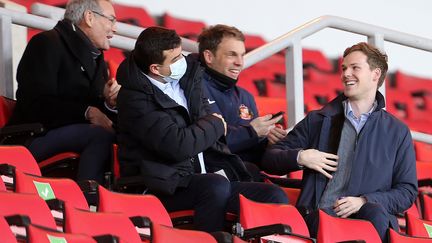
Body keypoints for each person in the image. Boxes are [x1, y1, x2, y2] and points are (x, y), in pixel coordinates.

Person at [116, 26, 288, 233]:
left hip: (201, 176)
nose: (183, 62)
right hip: (161, 186)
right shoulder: (135, 98)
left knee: (273, 195)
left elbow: (208, 133)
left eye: (182, 55)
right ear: (155, 68)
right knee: (214, 185)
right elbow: (178, 145)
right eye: (175, 59)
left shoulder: (187, 80)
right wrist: (215, 125)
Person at [262, 42, 417, 241]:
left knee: (375, 213)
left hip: (369, 220)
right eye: (344, 68)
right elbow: (270, 158)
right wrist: (302, 157)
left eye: (355, 68)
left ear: (375, 74)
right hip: (319, 218)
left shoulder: (397, 131)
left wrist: (364, 200)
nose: (346, 74)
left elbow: (407, 192)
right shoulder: (318, 120)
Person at [7, 0, 119, 184]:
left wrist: (109, 102)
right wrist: (88, 112)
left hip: (71, 133)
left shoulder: (96, 57)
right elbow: (35, 103)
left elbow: (95, 107)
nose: (114, 29)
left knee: (124, 134)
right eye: (111, 20)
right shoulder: (46, 43)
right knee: (101, 135)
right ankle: (89, 201)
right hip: (33, 137)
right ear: (89, 17)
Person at [198, 25, 287, 169]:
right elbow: (208, 147)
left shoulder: (246, 97)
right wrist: (251, 132)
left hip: (245, 173)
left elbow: (253, 155)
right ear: (209, 56)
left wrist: (267, 142)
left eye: (242, 55)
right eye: (231, 54)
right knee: (274, 192)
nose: (240, 62)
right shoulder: (194, 90)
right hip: (215, 177)